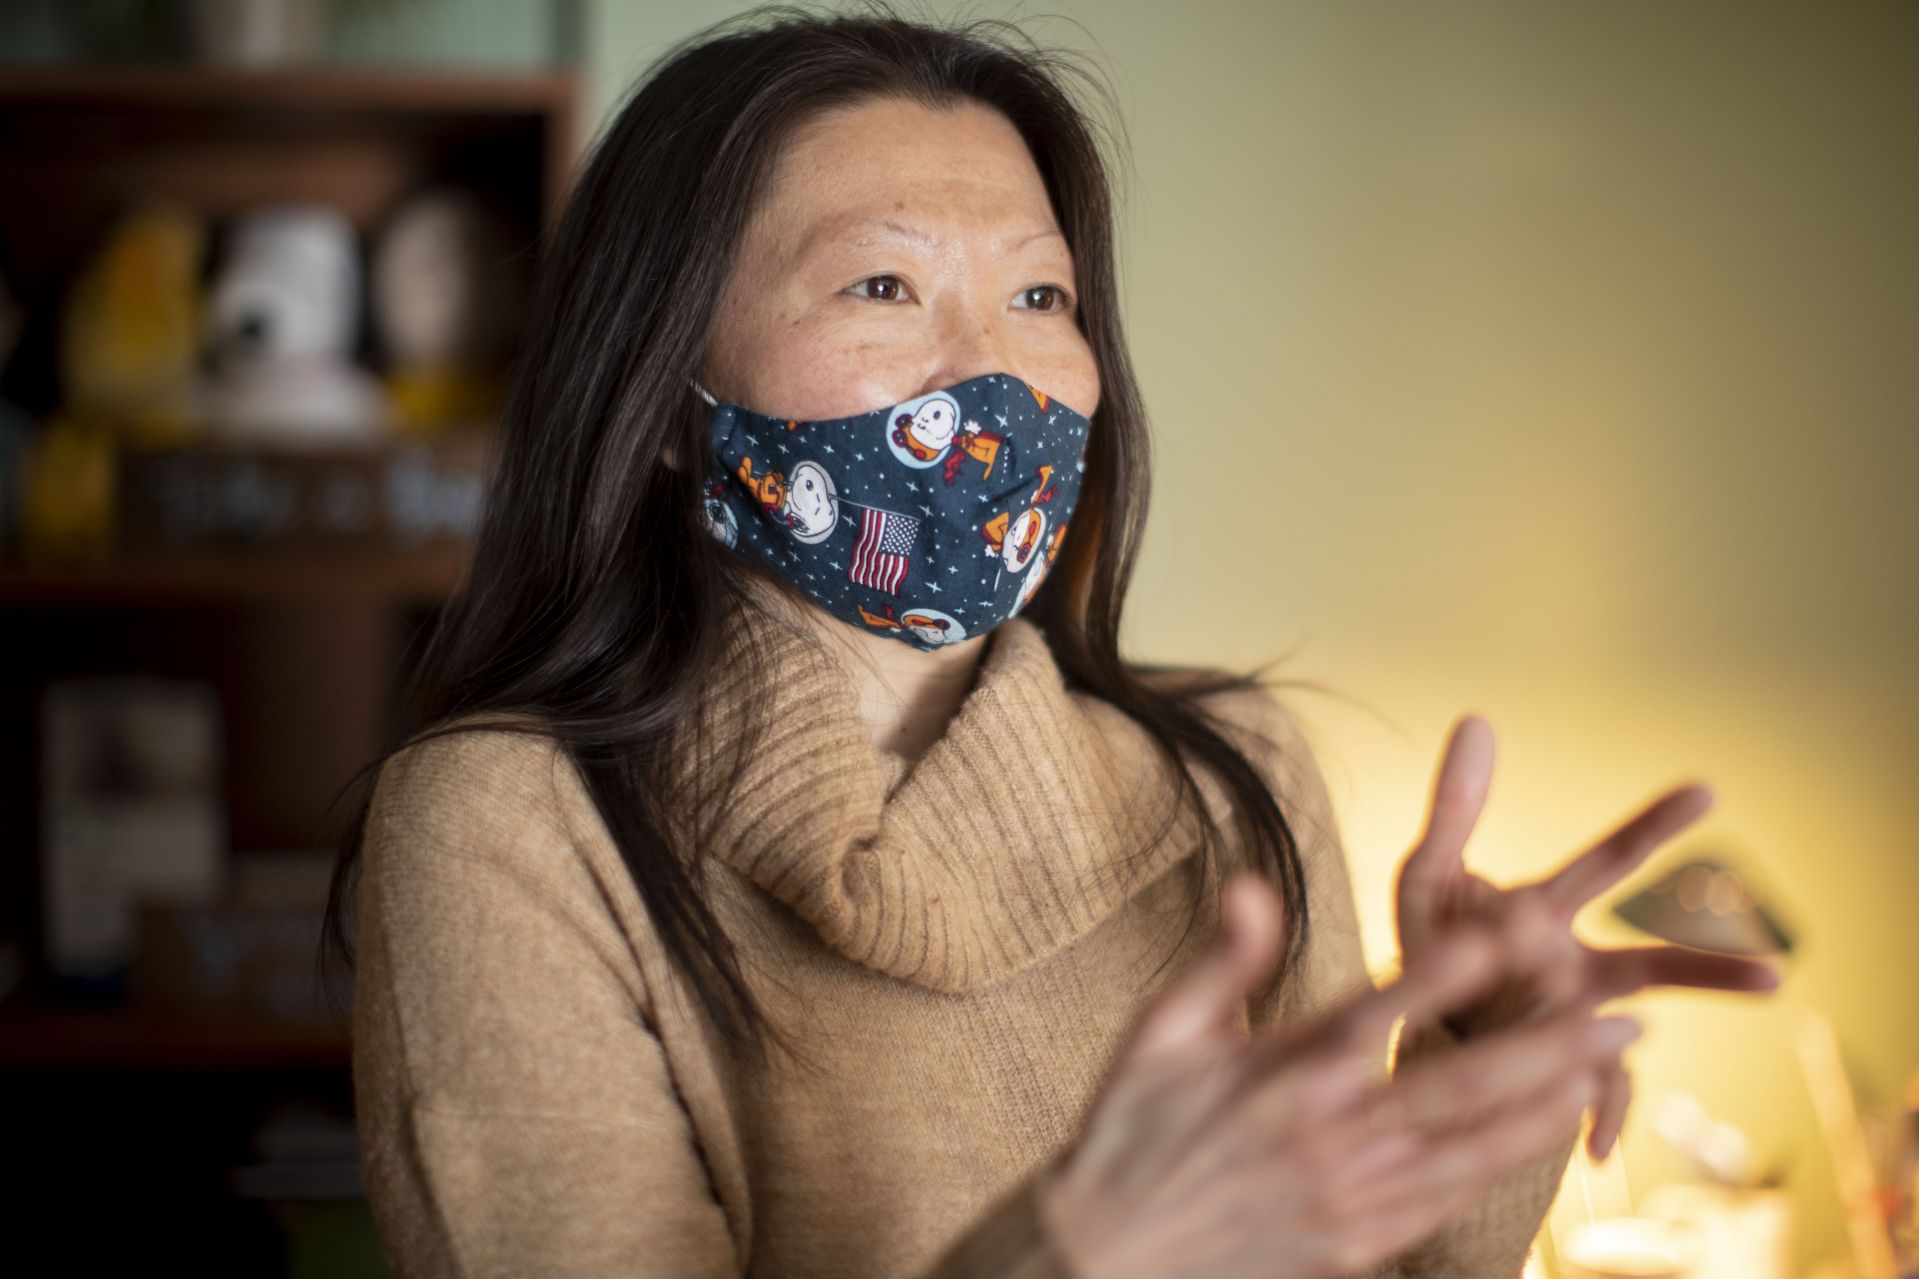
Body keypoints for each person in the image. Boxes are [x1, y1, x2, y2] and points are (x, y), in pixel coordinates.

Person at [319, 7, 1781, 1277]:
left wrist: (1466, 1073)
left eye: (1040, 295)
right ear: (663, 389)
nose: (992, 369)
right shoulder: (504, 824)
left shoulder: (1239, 776)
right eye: (883, 285)